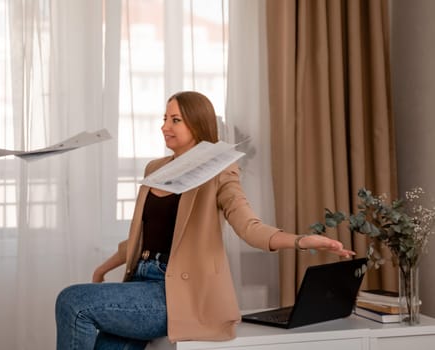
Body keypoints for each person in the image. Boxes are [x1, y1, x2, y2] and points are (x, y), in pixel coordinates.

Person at [55, 91, 355, 349]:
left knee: (73, 301)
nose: (164, 127)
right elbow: (141, 237)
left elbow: (249, 227)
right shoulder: (155, 168)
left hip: (172, 293)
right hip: (138, 284)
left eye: (175, 120)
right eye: (164, 118)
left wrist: (302, 241)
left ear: (197, 125)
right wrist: (103, 268)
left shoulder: (219, 171)